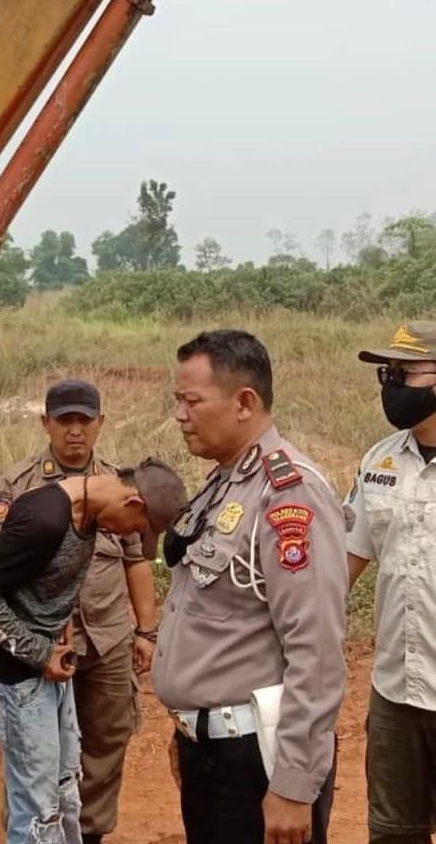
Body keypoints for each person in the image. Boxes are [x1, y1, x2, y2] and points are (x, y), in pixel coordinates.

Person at [153, 330, 348, 844]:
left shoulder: (289, 494)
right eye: (178, 400)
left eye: (191, 401)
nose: (179, 415)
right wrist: (192, 725)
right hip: (212, 753)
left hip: (256, 763)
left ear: (244, 403)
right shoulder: (225, 481)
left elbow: (317, 648)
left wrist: (293, 785)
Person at [0, 458, 185, 844]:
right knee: (36, 806)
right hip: (22, 679)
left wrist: (59, 627)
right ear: (132, 505)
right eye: (137, 529)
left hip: (50, 668)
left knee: (65, 791)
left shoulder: (88, 515)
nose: (130, 536)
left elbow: (43, 582)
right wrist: (37, 653)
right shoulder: (45, 520)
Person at [0, 380, 158, 844]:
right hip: (42, 645)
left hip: (107, 637)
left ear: (101, 423)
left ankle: (89, 833)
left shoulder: (120, 486)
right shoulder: (19, 485)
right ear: (46, 424)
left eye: (85, 420)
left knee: (106, 741)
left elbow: (136, 559)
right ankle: (32, 830)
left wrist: (146, 632)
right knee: (36, 751)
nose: (76, 431)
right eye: (65, 421)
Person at [347, 321, 436, 844]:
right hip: (395, 692)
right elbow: (343, 562)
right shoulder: (378, 462)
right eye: (388, 372)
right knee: (392, 834)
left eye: (405, 372)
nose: (393, 383)